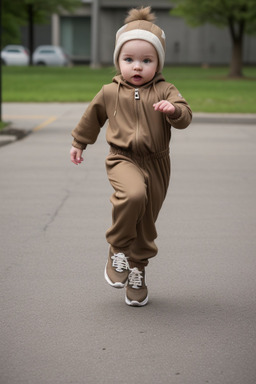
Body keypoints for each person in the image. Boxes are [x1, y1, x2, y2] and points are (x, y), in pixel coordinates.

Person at [70, 6, 192, 307]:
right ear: (118, 60)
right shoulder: (109, 91)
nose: (137, 67)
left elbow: (186, 115)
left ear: (158, 63)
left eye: (146, 61)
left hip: (158, 162)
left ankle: (137, 271)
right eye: (129, 60)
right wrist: (79, 142)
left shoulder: (165, 90)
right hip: (122, 158)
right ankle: (118, 248)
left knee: (147, 222)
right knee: (133, 196)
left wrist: (173, 111)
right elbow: (92, 117)